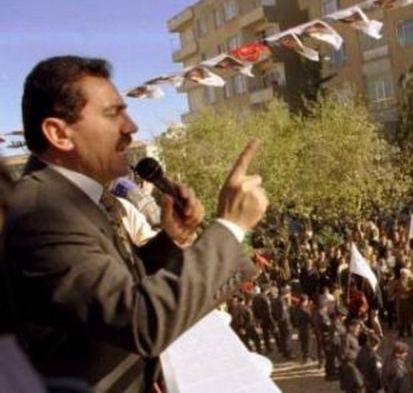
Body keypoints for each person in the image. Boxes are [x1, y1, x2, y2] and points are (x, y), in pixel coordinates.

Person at [5, 56, 268, 391]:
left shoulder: (74, 197)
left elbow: (110, 291)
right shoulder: (40, 213)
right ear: (59, 134)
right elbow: (140, 320)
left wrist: (170, 240)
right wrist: (231, 226)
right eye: (113, 114)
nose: (131, 126)